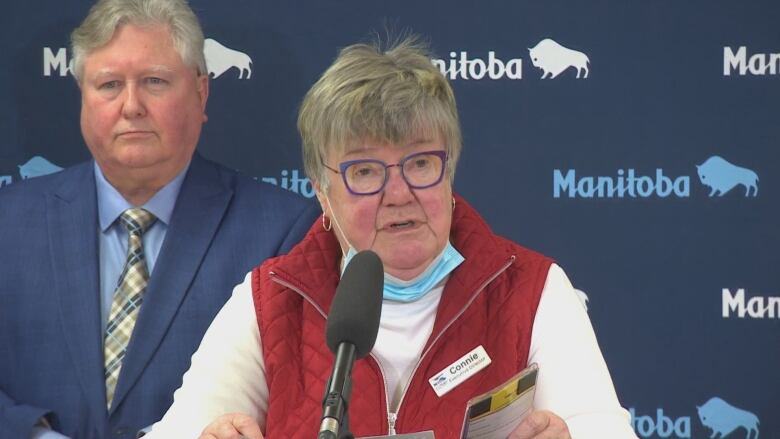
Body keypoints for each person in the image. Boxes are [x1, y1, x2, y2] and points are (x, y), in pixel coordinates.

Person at [147, 37, 639, 439]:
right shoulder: (273, 298)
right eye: (364, 171)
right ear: (321, 192)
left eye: (421, 163)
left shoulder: (531, 288)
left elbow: (602, 428)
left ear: (450, 174)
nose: (399, 193)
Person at [0, 0, 319, 438]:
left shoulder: (283, 231)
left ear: (201, 92)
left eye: (154, 81)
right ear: (82, 98)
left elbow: (298, 400)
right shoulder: (8, 223)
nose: (131, 106)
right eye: (109, 85)